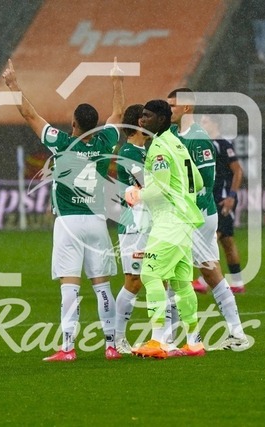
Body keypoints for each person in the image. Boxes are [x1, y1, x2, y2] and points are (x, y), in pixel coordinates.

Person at [2, 59, 124, 361]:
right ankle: (111, 345)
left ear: (74, 124)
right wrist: (117, 82)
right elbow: (118, 114)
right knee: (102, 286)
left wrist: (13, 85)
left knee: (70, 285)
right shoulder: (105, 141)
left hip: (68, 223)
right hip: (96, 222)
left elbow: (29, 114)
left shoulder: (63, 143)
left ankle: (68, 348)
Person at [167, 88, 250, 350]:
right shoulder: (172, 134)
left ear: (187, 108)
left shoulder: (199, 139)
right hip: (183, 214)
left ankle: (171, 338)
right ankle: (171, 338)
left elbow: (204, 183)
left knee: (197, 271)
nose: (169, 109)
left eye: (173, 105)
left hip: (197, 215)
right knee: (189, 272)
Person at [124, 100, 205, 358]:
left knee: (150, 274)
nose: (142, 120)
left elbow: (159, 189)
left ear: (161, 119)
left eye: (147, 116)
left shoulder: (158, 147)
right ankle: (194, 342)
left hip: (170, 220)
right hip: (185, 220)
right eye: (141, 116)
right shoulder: (177, 144)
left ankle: (158, 341)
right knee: (181, 283)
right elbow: (198, 181)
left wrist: (136, 194)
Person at [114, 104, 149, 354]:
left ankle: (165, 337)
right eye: (146, 117)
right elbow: (147, 185)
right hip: (133, 224)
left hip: (151, 222)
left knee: (163, 278)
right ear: (139, 122)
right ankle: (117, 338)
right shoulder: (128, 152)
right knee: (134, 281)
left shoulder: (145, 150)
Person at [200, 112, 246, 294]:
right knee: (227, 242)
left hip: (223, 199)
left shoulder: (223, 144)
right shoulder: (204, 144)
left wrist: (231, 196)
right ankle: (238, 282)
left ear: (215, 124)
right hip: (212, 199)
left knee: (211, 237)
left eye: (205, 121)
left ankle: (203, 280)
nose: (202, 124)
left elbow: (238, 171)